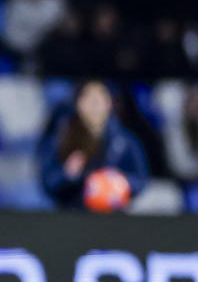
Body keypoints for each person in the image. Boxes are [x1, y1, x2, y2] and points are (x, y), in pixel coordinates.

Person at [38, 80, 149, 209]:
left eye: (100, 96)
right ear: (79, 103)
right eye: (88, 97)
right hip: (73, 213)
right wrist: (67, 175)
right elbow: (48, 181)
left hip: (114, 215)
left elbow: (140, 179)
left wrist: (120, 182)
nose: (94, 103)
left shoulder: (125, 140)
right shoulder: (60, 136)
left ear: (109, 103)